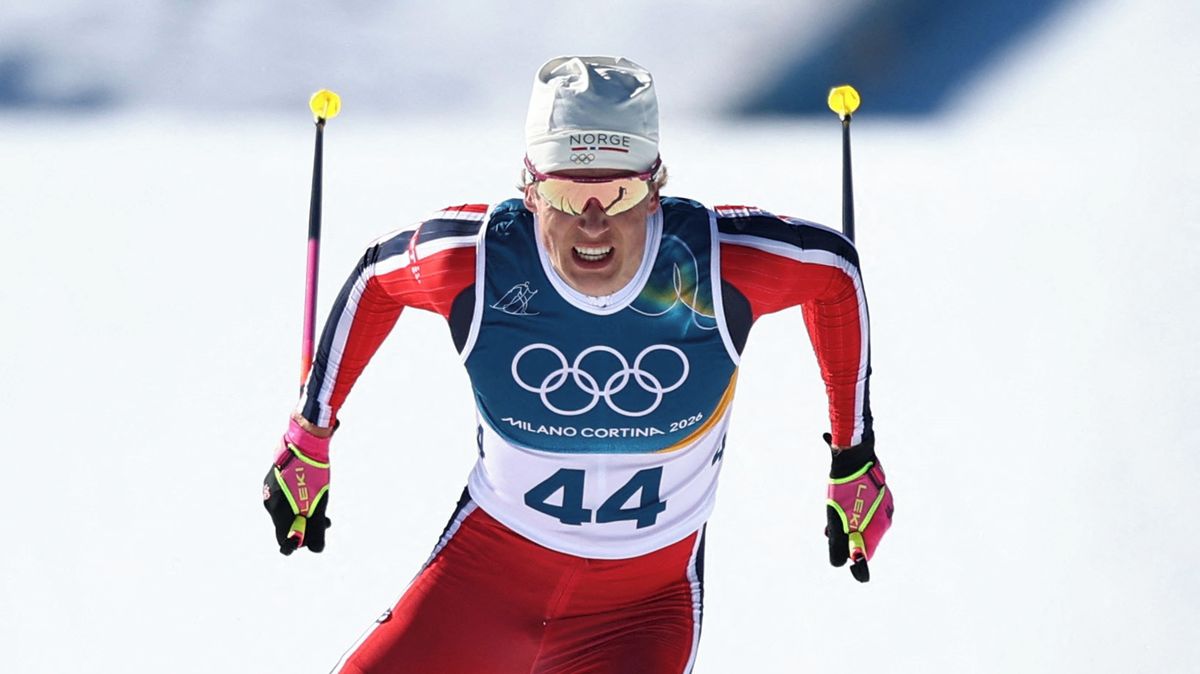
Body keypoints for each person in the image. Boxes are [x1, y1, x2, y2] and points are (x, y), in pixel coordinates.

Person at [263, 55, 894, 674]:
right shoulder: (478, 262)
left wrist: (853, 454)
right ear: (530, 191)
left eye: (618, 193)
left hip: (639, 614)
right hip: (479, 589)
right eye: (566, 194)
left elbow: (834, 273)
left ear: (655, 190)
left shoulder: (716, 265)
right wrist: (309, 435)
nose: (593, 223)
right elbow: (377, 276)